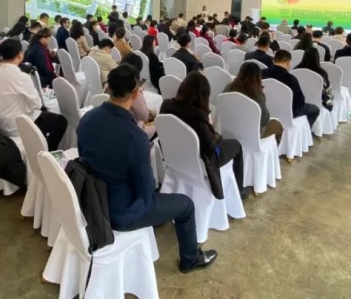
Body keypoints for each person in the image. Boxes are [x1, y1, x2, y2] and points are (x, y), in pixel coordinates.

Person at [78, 65, 217, 273]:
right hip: (122, 213)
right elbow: (145, 191)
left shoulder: (87, 118)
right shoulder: (135, 138)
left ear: (108, 88)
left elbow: (84, 158)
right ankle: (190, 259)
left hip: (91, 199)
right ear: (135, 94)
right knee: (186, 205)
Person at [160, 72, 252, 198]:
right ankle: (239, 189)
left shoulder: (166, 105)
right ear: (204, 95)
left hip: (176, 155)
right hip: (202, 160)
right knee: (236, 145)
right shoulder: (198, 116)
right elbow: (209, 147)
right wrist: (213, 131)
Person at [0, 39, 66, 150]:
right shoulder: (21, 77)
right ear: (20, 55)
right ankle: (47, 152)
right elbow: (37, 104)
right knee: (61, 122)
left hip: (1, 125)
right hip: (19, 126)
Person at [223, 62, 283, 140]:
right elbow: (264, 120)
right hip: (253, 133)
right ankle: (277, 146)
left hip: (231, 128)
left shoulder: (229, 88)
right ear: (258, 77)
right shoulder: (257, 94)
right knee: (278, 126)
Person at [263, 50, 320, 127]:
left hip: (265, 109)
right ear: (288, 63)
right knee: (315, 109)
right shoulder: (291, 79)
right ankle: (306, 131)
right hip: (288, 113)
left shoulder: (260, 73)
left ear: (273, 61)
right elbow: (299, 102)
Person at [120, 53, 157, 138]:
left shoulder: (112, 84)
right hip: (134, 133)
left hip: (118, 127)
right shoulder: (134, 93)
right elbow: (144, 116)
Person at [295, 47, 334, 112]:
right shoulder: (321, 73)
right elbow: (327, 91)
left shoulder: (296, 70)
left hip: (299, 101)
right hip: (317, 102)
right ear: (317, 58)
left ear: (304, 56)